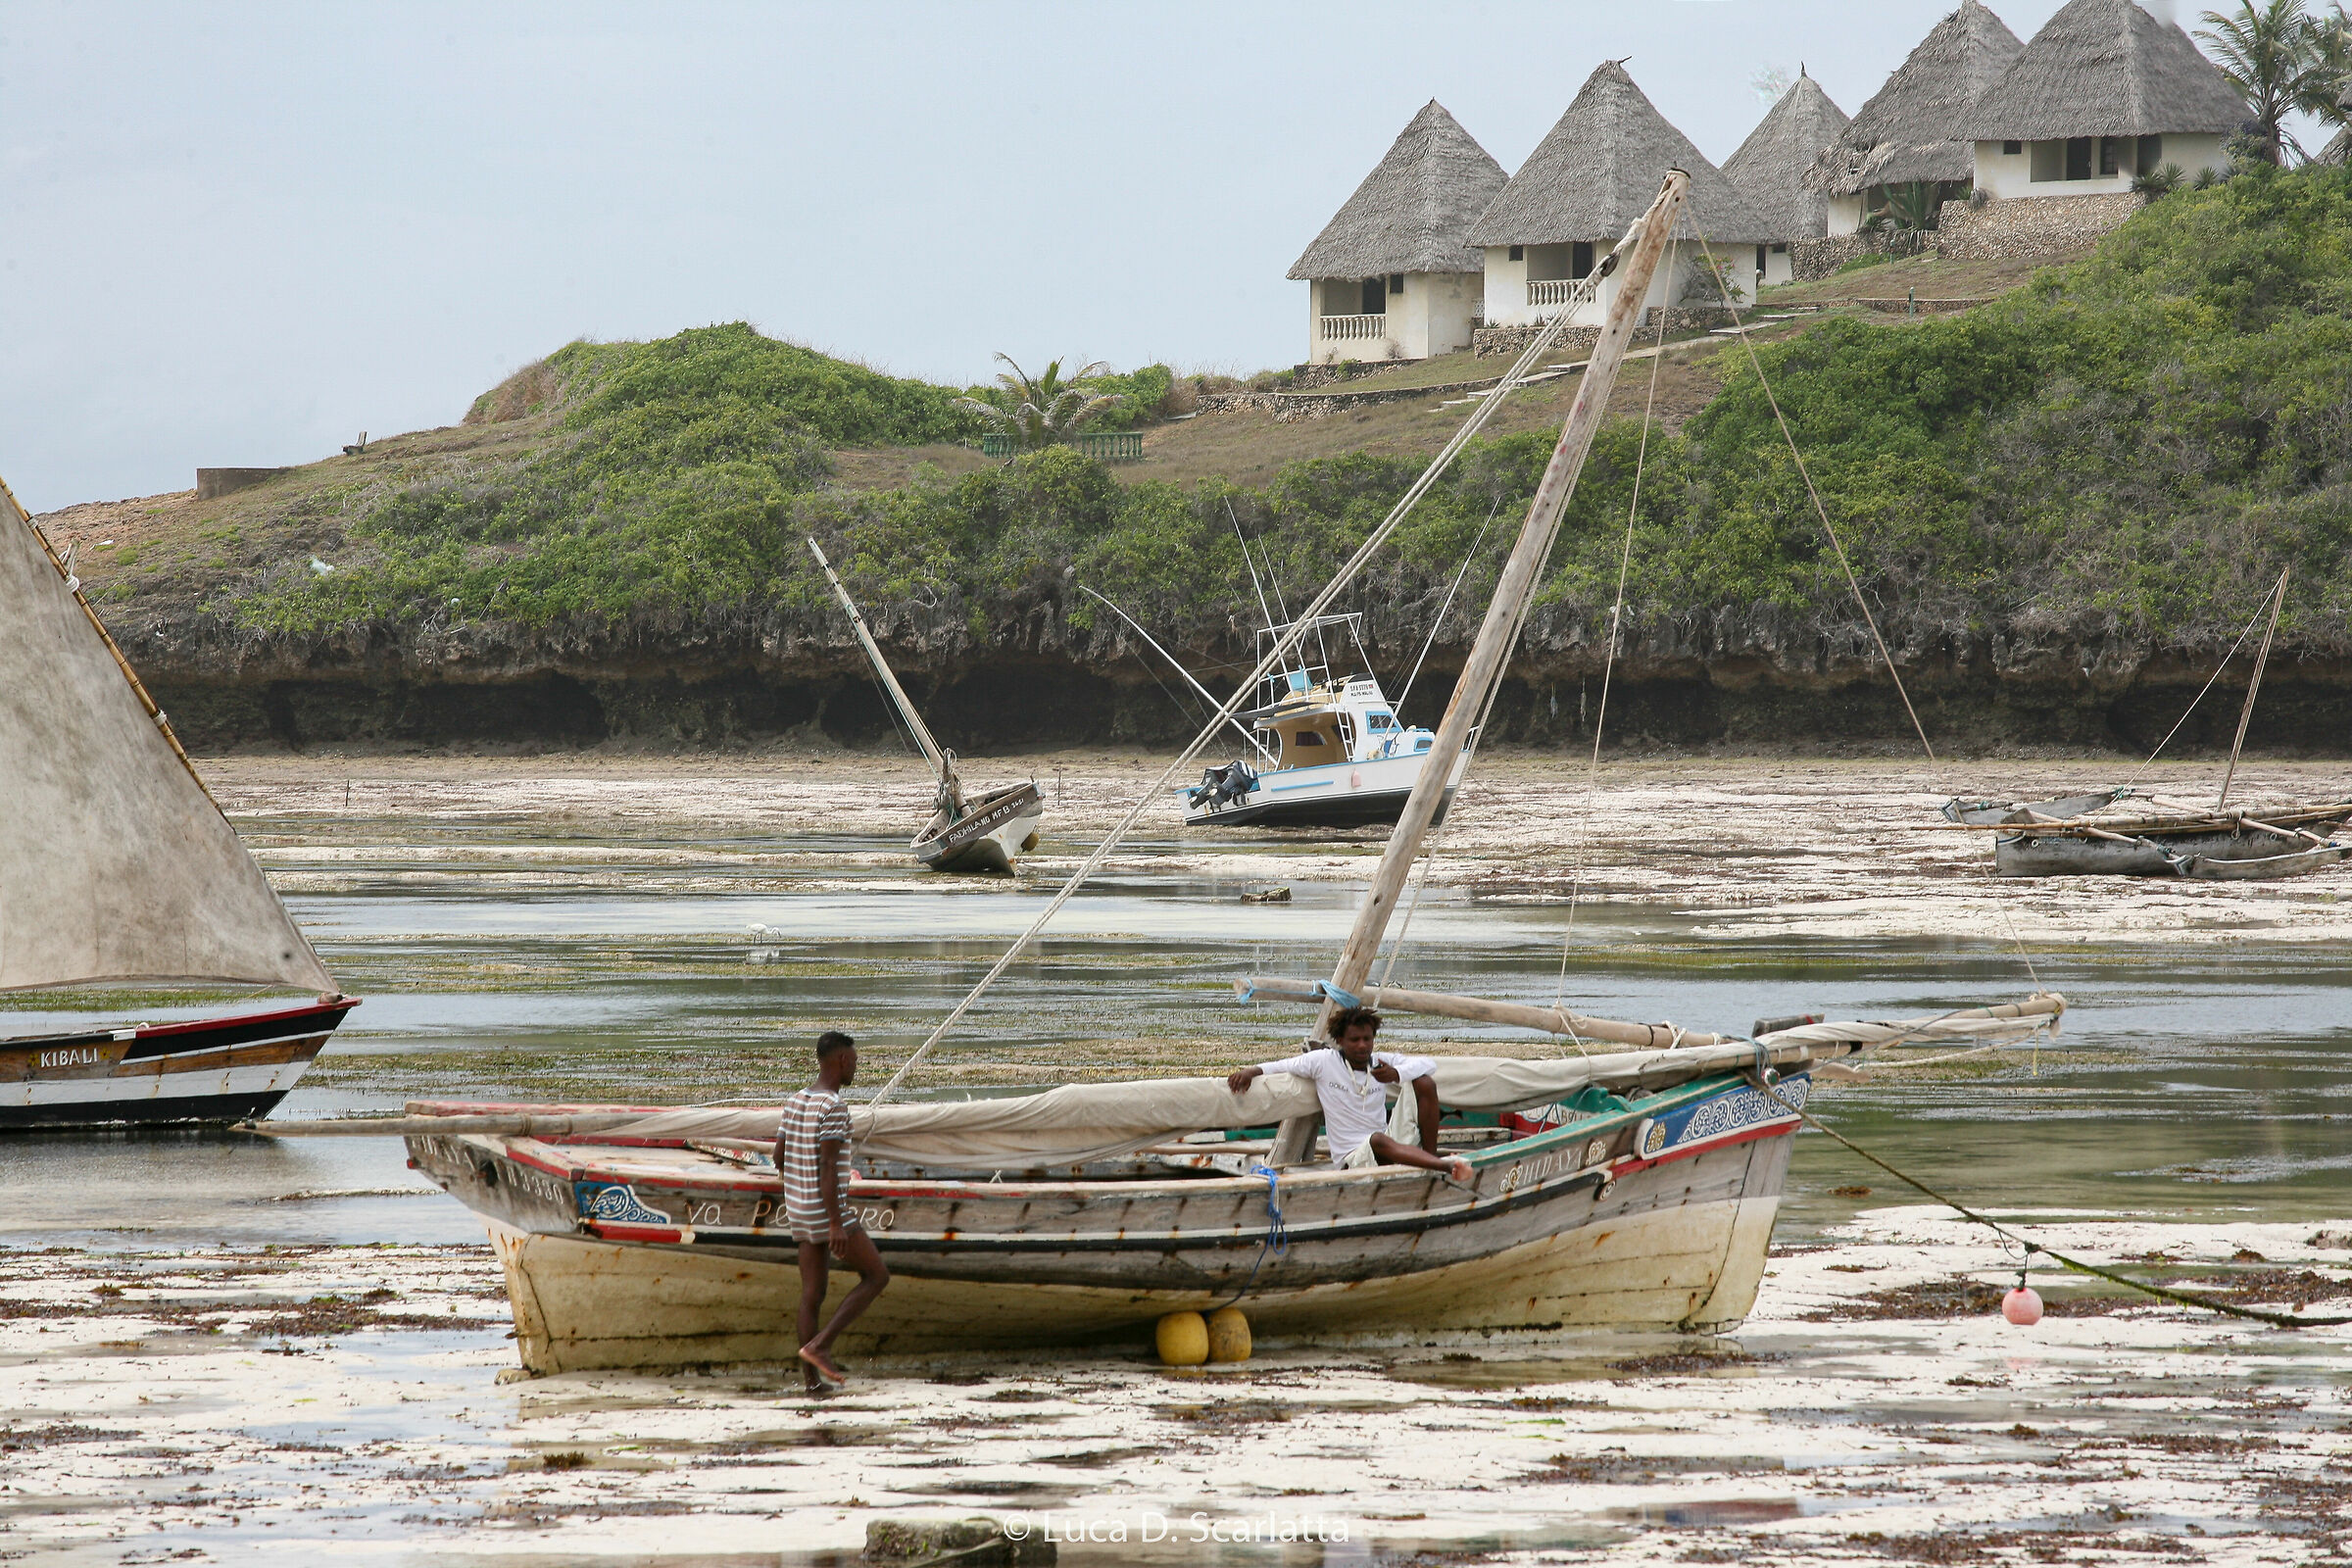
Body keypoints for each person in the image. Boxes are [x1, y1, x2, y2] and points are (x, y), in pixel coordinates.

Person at [1226, 1006, 1471, 1181]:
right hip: (1352, 1158)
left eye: (1367, 1039)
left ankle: (1429, 1159)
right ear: (1341, 1040)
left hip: (1388, 1143)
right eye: (1354, 1040)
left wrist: (1396, 1074)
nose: (1362, 1045)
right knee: (1377, 1140)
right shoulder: (1324, 1061)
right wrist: (1251, 1071)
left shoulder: (1379, 1062)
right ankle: (1444, 1166)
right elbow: (1282, 1065)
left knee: (1424, 1082)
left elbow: (1429, 1064)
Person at [774, 1030, 890, 1389]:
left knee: (812, 1294)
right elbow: (828, 1168)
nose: (855, 1066)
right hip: (827, 1211)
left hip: (799, 1209)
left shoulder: (795, 1101)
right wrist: (837, 1224)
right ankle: (821, 1346)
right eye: (853, 1061)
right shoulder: (834, 1107)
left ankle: (812, 1382)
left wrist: (801, 1186)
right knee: (876, 1276)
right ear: (841, 1061)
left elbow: (779, 1157)